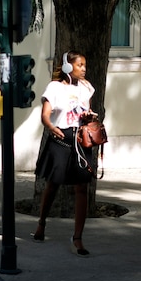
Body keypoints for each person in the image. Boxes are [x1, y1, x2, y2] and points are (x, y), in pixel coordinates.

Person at [31, 50, 96, 257]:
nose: (84, 69)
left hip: (80, 140)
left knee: (82, 188)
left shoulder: (86, 88)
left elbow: (88, 113)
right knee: (52, 184)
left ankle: (77, 237)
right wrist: (50, 126)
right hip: (60, 139)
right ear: (68, 66)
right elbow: (45, 115)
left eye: (85, 65)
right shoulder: (55, 87)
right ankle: (41, 223)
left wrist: (87, 116)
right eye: (80, 65)